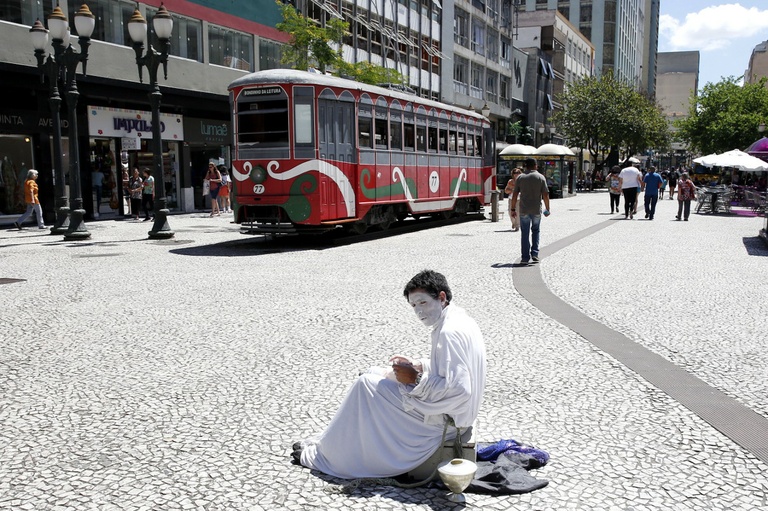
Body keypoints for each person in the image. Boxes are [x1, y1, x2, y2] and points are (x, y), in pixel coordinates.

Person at [292, 269, 486, 479]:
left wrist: (416, 379)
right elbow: (452, 369)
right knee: (373, 372)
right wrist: (419, 365)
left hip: (447, 420)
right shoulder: (458, 318)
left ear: (441, 297)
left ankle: (327, 455)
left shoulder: (450, 332)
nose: (419, 312)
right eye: (413, 306)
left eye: (422, 303)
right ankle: (330, 442)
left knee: (365, 384)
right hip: (453, 411)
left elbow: (460, 390)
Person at [509, 158, 550, 264]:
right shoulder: (541, 177)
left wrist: (513, 209)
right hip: (536, 209)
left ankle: (525, 257)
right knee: (536, 231)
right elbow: (545, 194)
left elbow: (514, 195)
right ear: (535, 165)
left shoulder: (520, 178)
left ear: (525, 166)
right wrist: (547, 208)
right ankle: (535, 254)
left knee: (525, 233)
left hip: (523, 210)